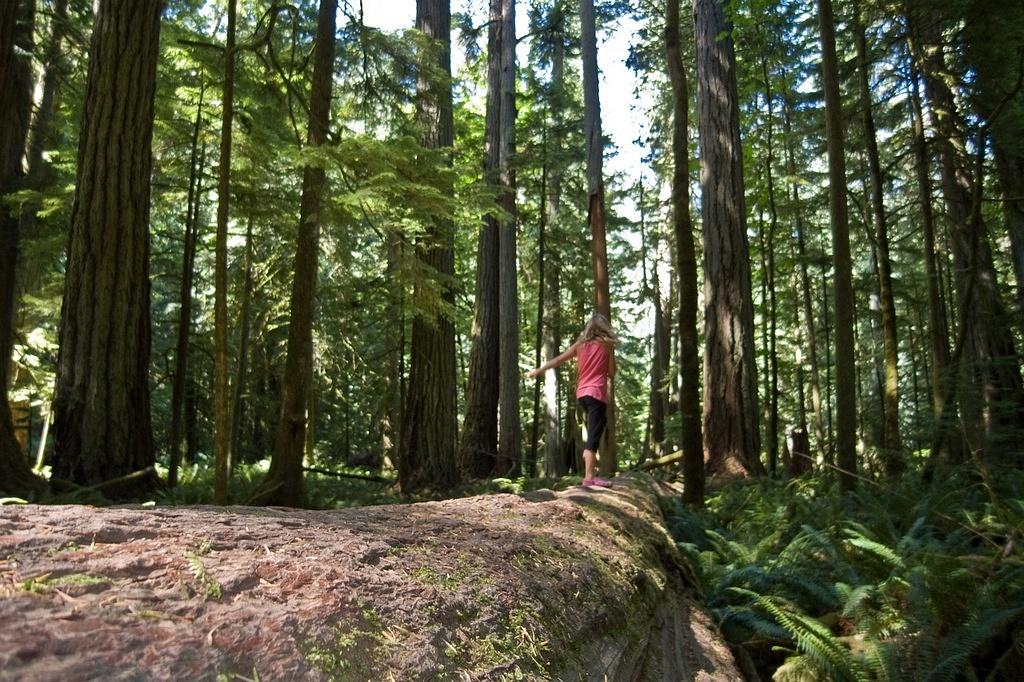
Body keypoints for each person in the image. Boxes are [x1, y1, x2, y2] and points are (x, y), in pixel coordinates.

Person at [527, 313, 617, 488]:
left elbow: (557, 360)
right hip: (597, 393)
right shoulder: (607, 345)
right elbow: (612, 372)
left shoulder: (579, 345)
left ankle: (591, 474)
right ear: (604, 328)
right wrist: (610, 354)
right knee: (594, 435)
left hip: (582, 394)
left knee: (596, 428)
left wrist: (538, 370)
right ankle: (589, 478)